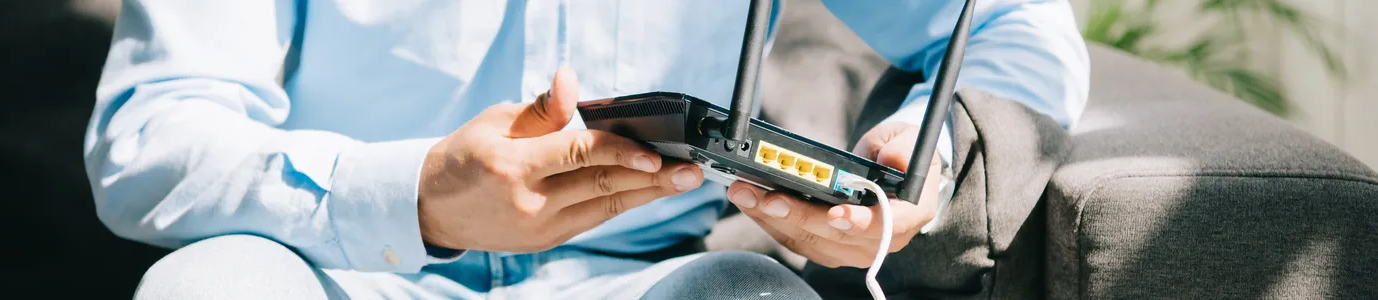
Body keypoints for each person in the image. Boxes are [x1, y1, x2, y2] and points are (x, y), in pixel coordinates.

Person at [83, 0, 1088, 298]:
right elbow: (147, 141)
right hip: (322, 271)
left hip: (651, 283)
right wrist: (421, 195)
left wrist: (916, 156)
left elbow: (1013, 24)